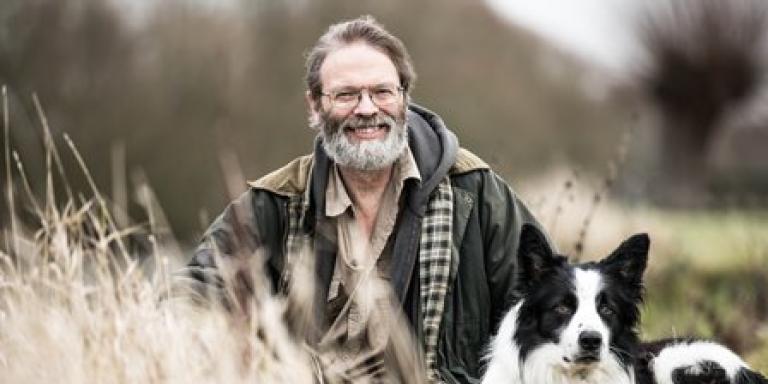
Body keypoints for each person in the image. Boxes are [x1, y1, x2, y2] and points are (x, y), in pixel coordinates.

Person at [181, 15, 545, 384]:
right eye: (346, 94)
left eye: (382, 92)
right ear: (314, 105)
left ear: (403, 97)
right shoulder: (276, 201)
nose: (367, 109)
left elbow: (551, 303)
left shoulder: (475, 193)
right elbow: (190, 298)